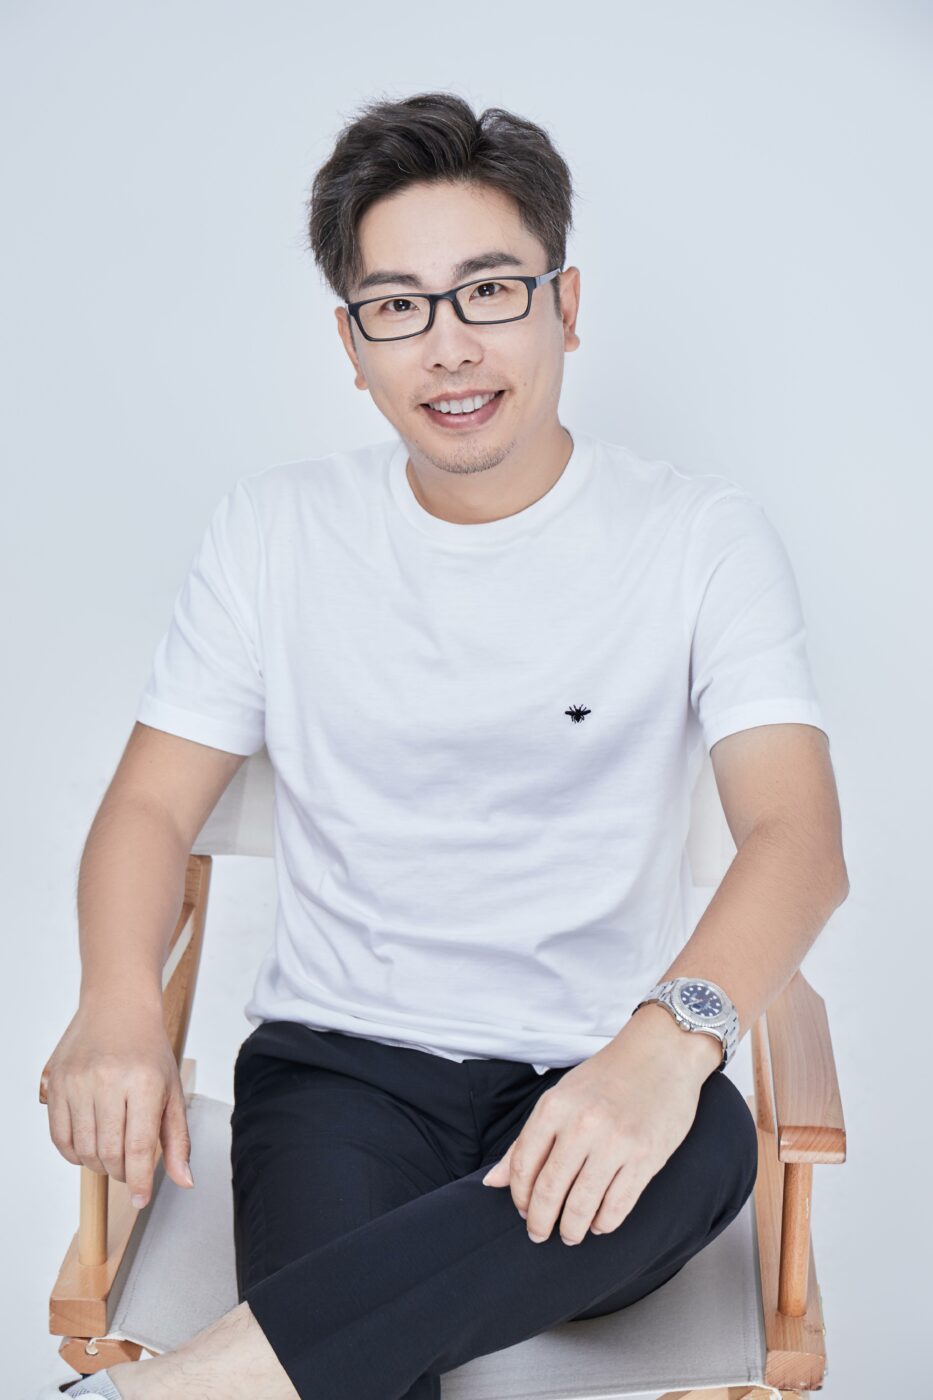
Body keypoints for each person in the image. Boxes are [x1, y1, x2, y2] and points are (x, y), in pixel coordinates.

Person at [39, 90, 848, 1400]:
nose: (449, 347)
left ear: (565, 305)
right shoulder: (273, 532)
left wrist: (663, 1046)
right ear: (351, 344)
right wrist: (119, 998)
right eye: (397, 307)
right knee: (360, 1335)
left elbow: (797, 840)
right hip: (341, 1078)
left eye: (489, 292)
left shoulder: (699, 539)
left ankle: (181, 1387)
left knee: (703, 1137)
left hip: (600, 1062)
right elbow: (148, 807)